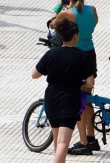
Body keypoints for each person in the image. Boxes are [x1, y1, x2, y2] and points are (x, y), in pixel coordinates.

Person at [48, 0, 101, 156]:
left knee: (77, 103)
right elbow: (93, 24)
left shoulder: (67, 13)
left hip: (75, 57)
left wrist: (58, 9)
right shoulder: (92, 10)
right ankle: (91, 137)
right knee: (87, 97)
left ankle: (83, 142)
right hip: (90, 54)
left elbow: (52, 25)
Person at [32, 19, 96, 163]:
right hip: (70, 98)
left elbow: (34, 74)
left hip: (52, 97)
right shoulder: (82, 56)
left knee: (57, 141)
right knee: (63, 143)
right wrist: (80, 82)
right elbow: (90, 83)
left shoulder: (51, 54)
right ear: (75, 36)